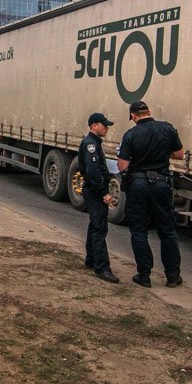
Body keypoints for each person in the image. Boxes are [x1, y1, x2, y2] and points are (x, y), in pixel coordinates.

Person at [116, 100, 185, 288]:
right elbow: (180, 155)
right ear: (150, 112)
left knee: (139, 231)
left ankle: (144, 275)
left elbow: (122, 165)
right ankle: (172, 276)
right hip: (162, 184)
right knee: (167, 231)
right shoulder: (167, 129)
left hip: (138, 185)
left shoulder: (130, 134)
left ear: (133, 116)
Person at [78, 112, 119, 283]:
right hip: (95, 191)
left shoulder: (93, 143)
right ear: (94, 126)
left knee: (95, 224)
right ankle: (102, 268)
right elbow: (93, 172)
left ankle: (91, 259)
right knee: (100, 228)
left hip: (93, 189)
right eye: (104, 125)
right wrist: (104, 193)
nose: (107, 128)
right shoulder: (91, 145)